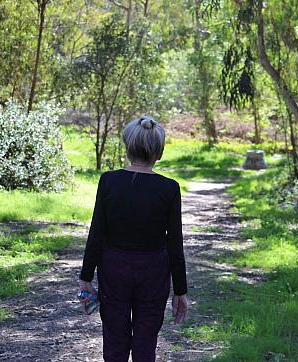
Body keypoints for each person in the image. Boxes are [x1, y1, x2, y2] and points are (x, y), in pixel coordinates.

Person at [78, 115, 189, 362]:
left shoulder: (109, 181)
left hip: (113, 270)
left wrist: (86, 277)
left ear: (128, 148)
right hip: (154, 273)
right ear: (158, 153)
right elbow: (175, 246)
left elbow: (96, 232)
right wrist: (181, 291)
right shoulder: (169, 188)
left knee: (115, 341)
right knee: (145, 343)